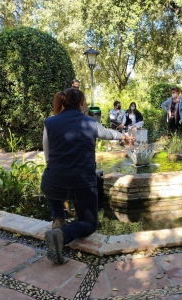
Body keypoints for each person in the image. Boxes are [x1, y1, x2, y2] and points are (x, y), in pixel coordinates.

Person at [42, 88, 135, 264]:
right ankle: (61, 234)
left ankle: (58, 219)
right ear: (81, 104)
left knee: (51, 181)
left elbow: (48, 157)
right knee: (89, 223)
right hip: (82, 184)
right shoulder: (90, 123)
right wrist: (125, 137)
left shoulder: (49, 122)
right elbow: (109, 134)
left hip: (52, 183)